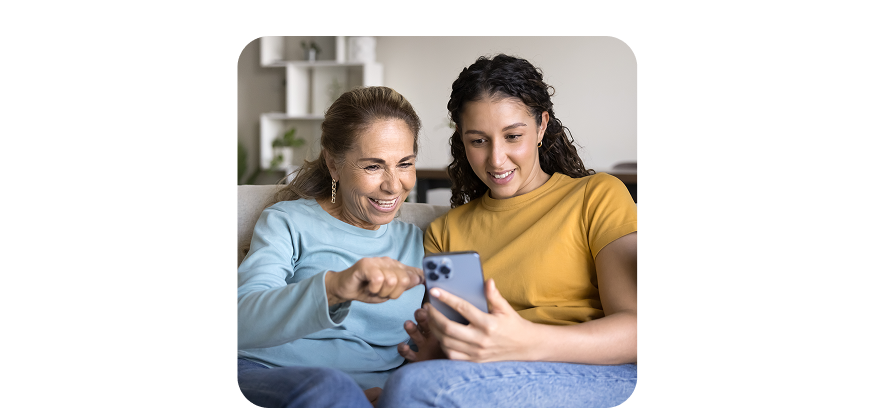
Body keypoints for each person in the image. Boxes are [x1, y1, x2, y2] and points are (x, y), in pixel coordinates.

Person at [378, 54, 638, 407]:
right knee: (411, 382)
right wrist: (435, 353)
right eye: (478, 141)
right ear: (461, 139)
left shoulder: (596, 196)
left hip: (598, 371)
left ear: (542, 126)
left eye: (513, 136)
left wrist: (527, 341)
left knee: (416, 388)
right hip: (494, 377)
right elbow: (461, 343)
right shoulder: (447, 232)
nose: (497, 159)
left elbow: (634, 329)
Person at [237, 86, 428, 408]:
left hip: (374, 393)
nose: (394, 185)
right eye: (373, 166)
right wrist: (335, 287)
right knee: (330, 387)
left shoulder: (419, 242)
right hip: (269, 373)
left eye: (405, 164)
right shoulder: (288, 220)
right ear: (333, 164)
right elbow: (243, 322)